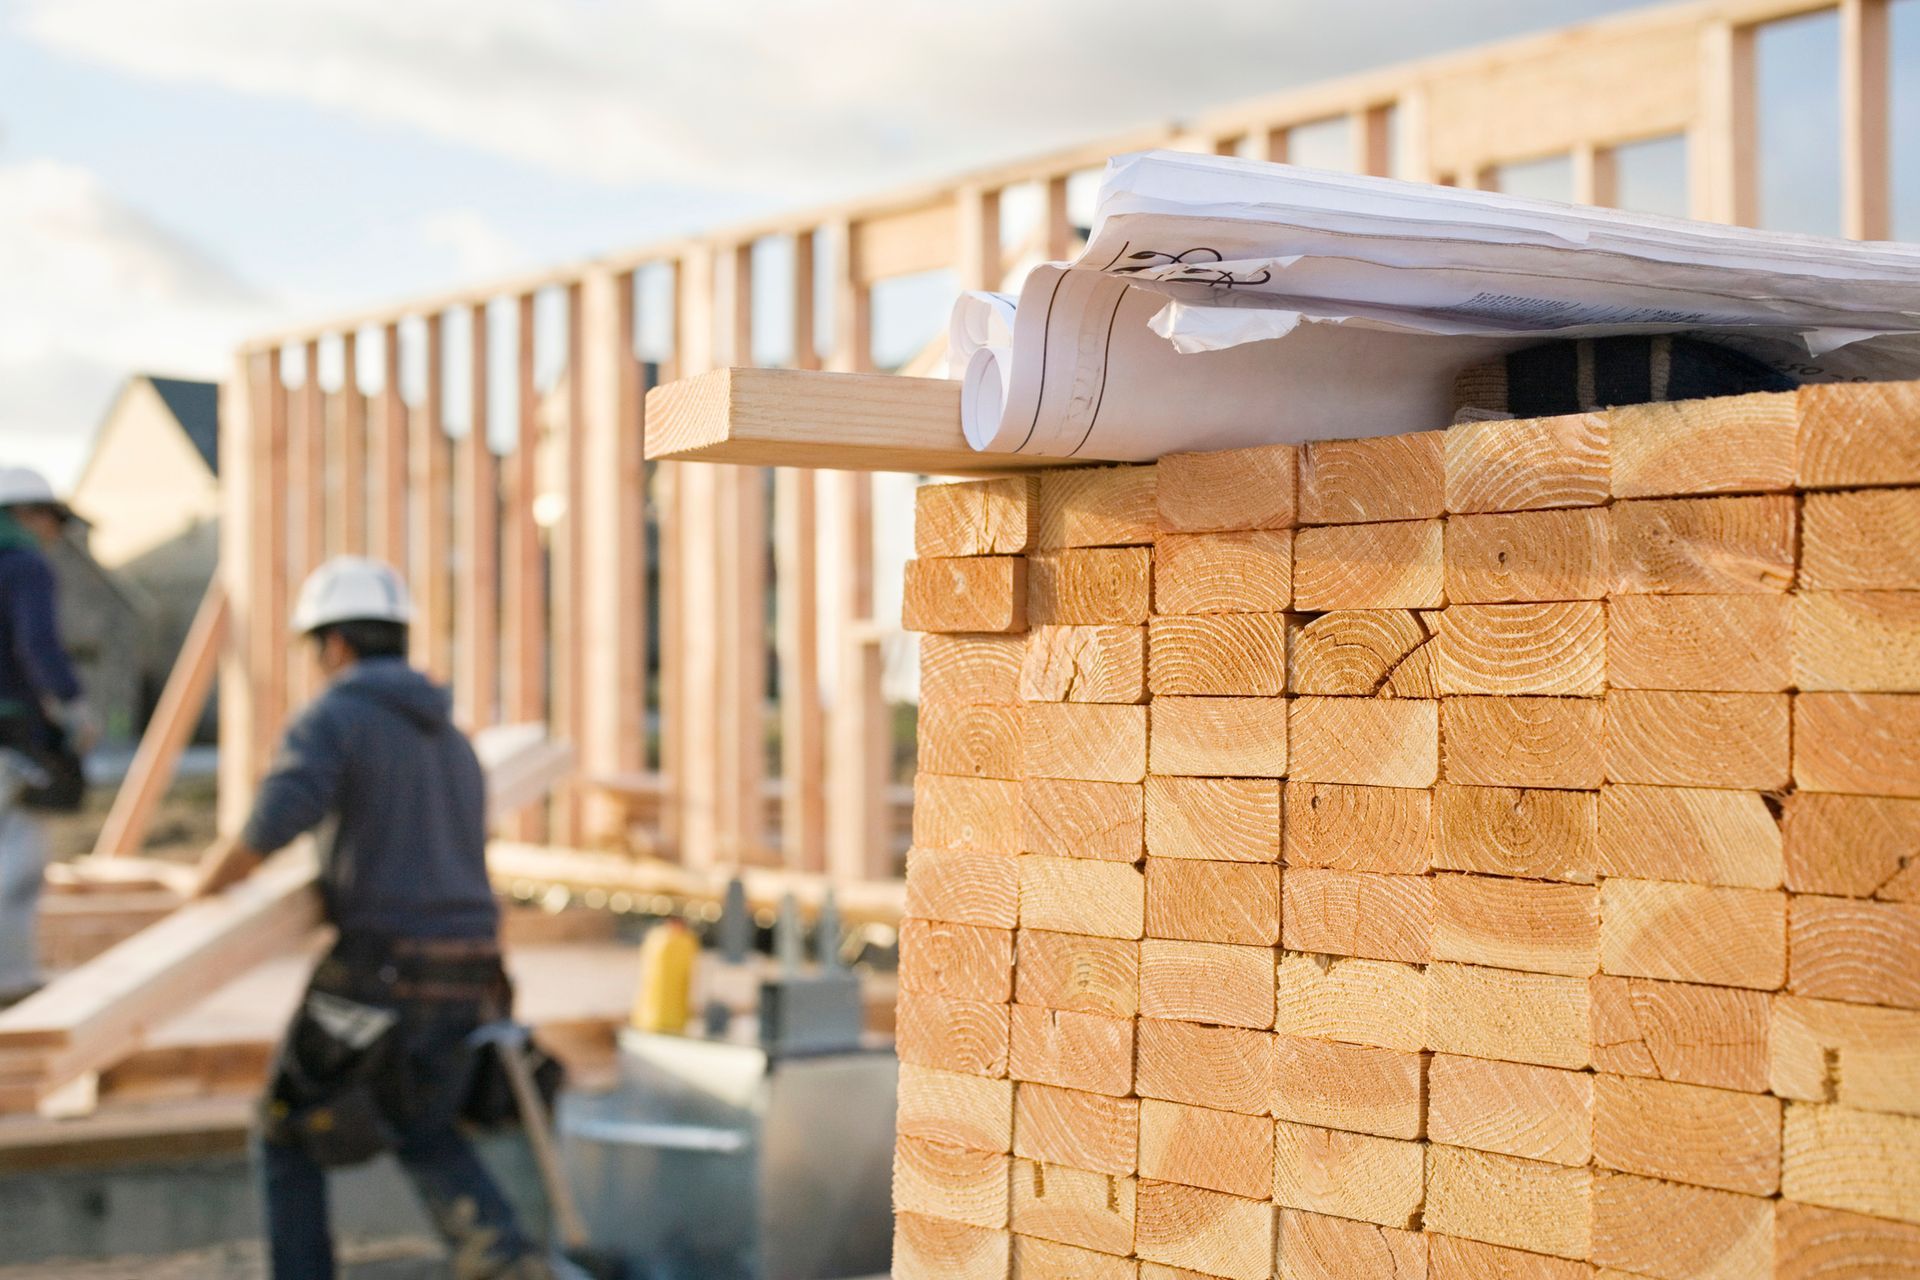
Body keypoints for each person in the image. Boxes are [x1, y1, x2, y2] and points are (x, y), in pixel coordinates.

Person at [194, 556, 548, 1280]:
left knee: (285, 1132)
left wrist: (206, 886)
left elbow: (275, 821)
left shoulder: (335, 716)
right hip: (471, 971)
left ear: (333, 646)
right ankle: (508, 1263)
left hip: (379, 970)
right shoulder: (452, 740)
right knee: (422, 1126)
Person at [0, 466, 94, 1009]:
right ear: (28, 514)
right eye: (51, 522)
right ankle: (9, 983)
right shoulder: (23, 567)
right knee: (17, 861)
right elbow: (38, 646)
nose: (53, 536)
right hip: (10, 740)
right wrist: (72, 710)